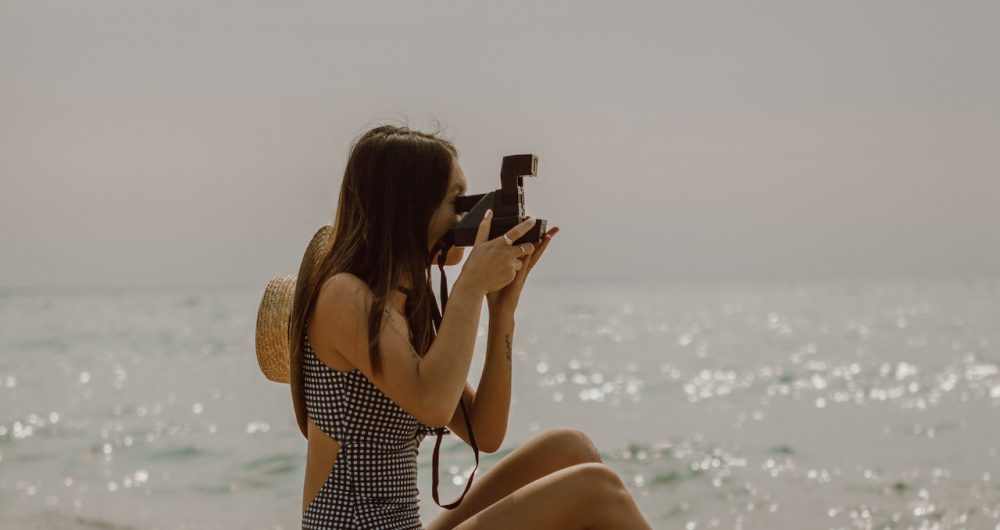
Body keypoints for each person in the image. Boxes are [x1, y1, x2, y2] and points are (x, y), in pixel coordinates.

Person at [287, 124, 653, 529]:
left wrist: (502, 314)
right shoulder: (344, 296)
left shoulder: (407, 308)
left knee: (570, 449)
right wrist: (470, 286)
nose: (468, 213)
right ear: (410, 207)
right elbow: (433, 403)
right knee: (596, 488)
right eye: (454, 200)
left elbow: (485, 431)